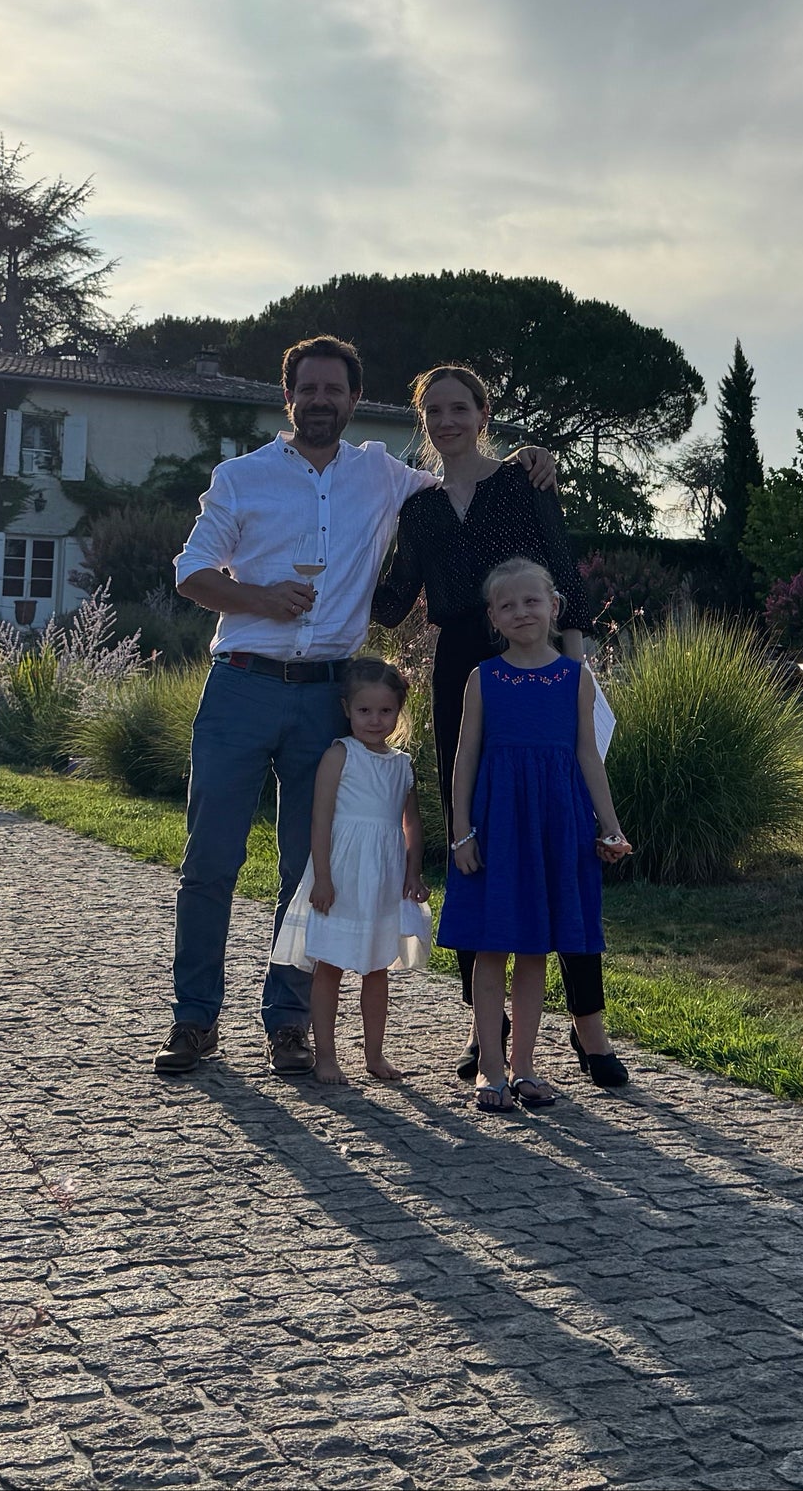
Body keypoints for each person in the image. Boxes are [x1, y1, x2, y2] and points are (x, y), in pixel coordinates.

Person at [157, 335, 555, 1078]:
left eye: (333, 390)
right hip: (239, 684)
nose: (319, 400)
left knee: (307, 869)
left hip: (325, 697)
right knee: (209, 860)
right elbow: (190, 572)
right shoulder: (240, 477)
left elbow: (460, 473)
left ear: (350, 399)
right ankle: (193, 1018)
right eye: (306, 388)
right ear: (288, 397)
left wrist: (531, 457)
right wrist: (258, 597)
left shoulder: (379, 473)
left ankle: (287, 1022)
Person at [372, 364, 630, 1089]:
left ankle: (588, 1025)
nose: (447, 421)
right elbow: (392, 602)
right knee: (472, 837)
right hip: (461, 667)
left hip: (541, 663)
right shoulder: (418, 510)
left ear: (484, 413)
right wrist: (328, 565)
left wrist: (574, 677)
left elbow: (565, 580)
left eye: (460, 407)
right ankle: (485, 1031)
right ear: (423, 421)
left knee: (563, 838)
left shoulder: (524, 481)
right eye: (435, 411)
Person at [439, 559, 632, 1113]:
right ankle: (490, 1070)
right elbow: (465, 758)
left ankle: (524, 1067)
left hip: (556, 823)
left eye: (531, 601)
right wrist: (461, 833)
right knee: (491, 945)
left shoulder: (576, 677)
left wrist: (610, 826)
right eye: (507, 605)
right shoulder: (484, 677)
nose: (521, 612)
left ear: (553, 607)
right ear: (493, 618)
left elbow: (588, 756)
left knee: (534, 951)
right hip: (497, 825)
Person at [270, 657, 430, 1085]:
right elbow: (320, 819)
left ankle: (374, 1055)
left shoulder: (401, 764)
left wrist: (413, 871)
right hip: (341, 875)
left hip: (382, 878)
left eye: (385, 711)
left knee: (377, 968)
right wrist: (322, 877)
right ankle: (326, 1056)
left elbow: (410, 822)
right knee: (331, 965)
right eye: (365, 711)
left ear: (398, 712)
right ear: (347, 708)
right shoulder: (339, 755)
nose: (375, 720)